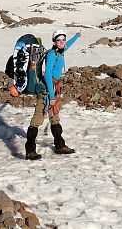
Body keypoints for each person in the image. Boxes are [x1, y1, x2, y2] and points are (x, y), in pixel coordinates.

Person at [25, 30, 81, 160]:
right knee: (37, 119)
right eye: (59, 40)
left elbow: (68, 45)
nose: (62, 42)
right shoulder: (51, 55)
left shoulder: (60, 52)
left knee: (55, 118)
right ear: (54, 42)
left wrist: (76, 36)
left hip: (53, 90)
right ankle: (30, 150)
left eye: (63, 39)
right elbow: (48, 75)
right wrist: (51, 97)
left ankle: (60, 146)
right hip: (46, 91)